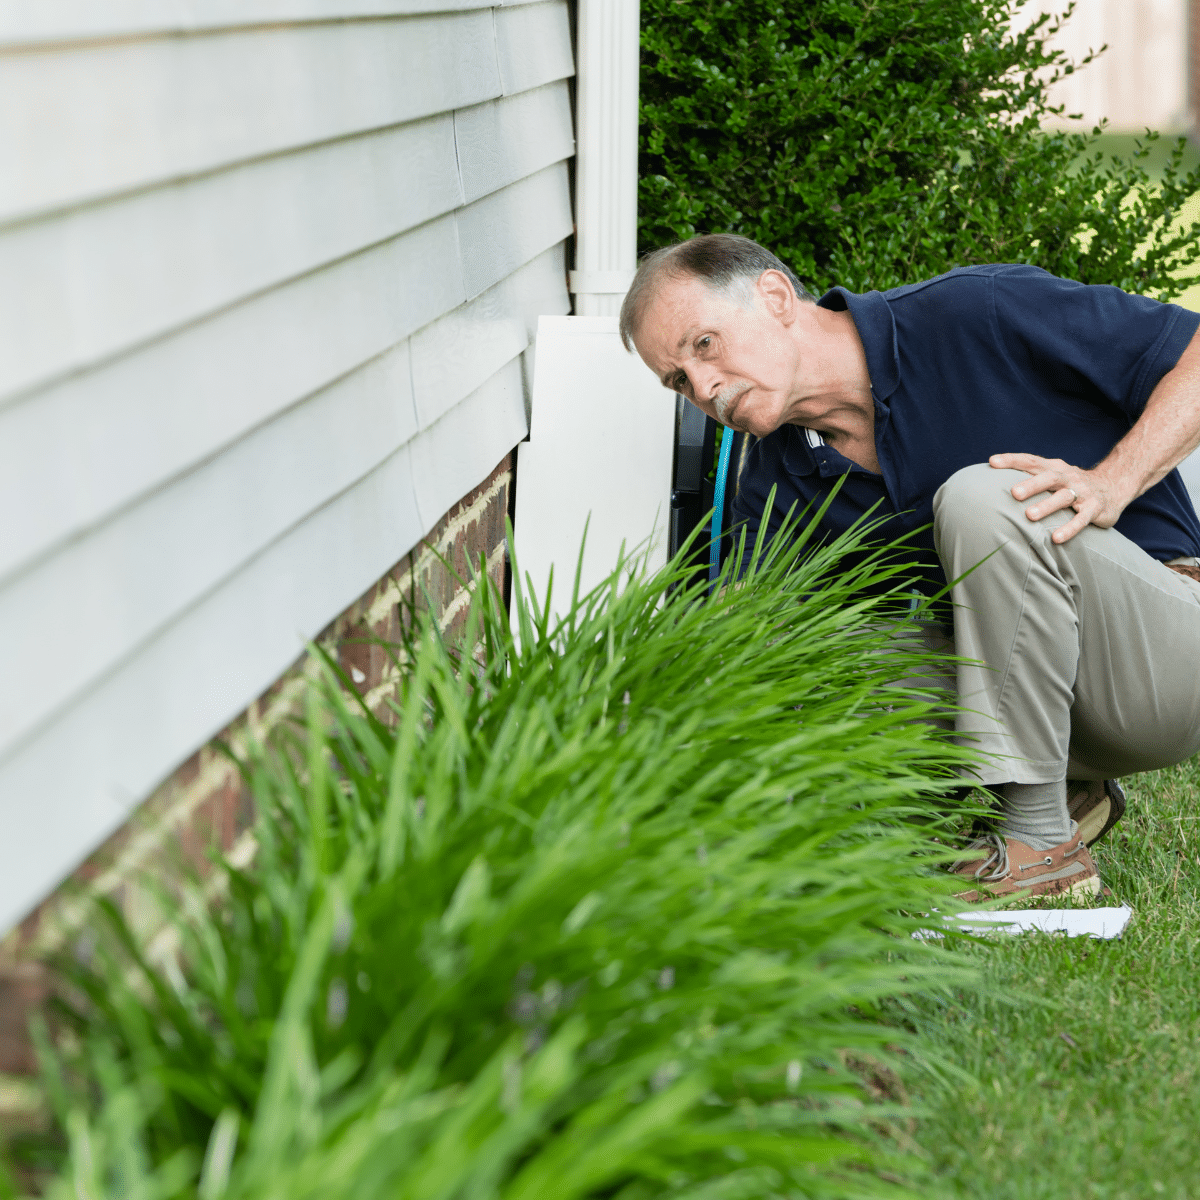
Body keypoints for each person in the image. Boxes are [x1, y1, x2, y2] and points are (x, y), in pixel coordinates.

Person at [620, 233, 1200, 900]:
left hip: (1167, 660)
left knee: (985, 499)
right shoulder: (781, 482)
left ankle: (1040, 843)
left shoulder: (976, 312)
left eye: (704, 345)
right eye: (679, 381)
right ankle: (1054, 794)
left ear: (775, 297)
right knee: (790, 652)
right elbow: (737, 647)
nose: (704, 388)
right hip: (1053, 706)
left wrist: (1113, 481)